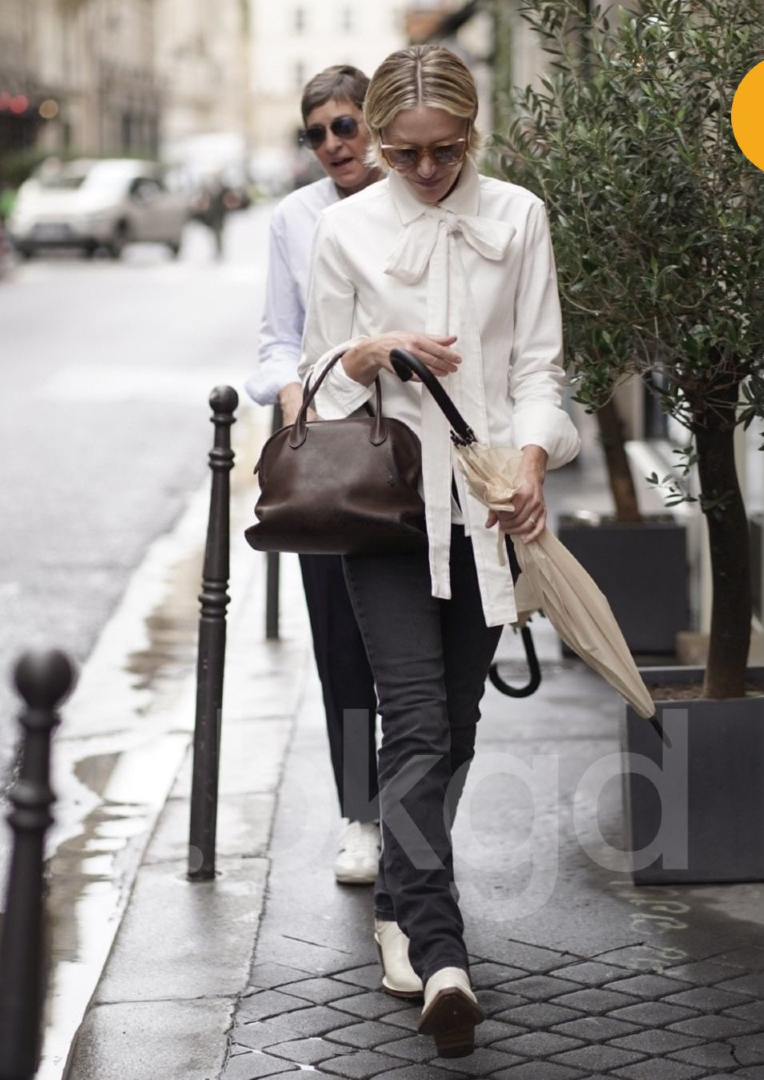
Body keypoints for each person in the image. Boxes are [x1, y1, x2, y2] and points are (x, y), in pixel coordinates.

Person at [298, 45, 581, 1056]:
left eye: (444, 151)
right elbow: (324, 388)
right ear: (376, 140)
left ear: (473, 134)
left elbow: (542, 366)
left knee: (454, 730)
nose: (425, 171)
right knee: (415, 724)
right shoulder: (344, 229)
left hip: (488, 518)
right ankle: (441, 950)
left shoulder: (519, 217)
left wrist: (536, 458)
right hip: (387, 518)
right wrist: (367, 352)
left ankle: (401, 902)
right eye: (405, 152)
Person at [245, 67, 391, 909]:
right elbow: (273, 340)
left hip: (412, 450)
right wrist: (288, 386)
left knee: (415, 639)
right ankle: (360, 814)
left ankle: (416, 808)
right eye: (318, 134)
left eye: (346, 126)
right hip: (329, 456)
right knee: (339, 641)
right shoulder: (293, 219)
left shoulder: (415, 197)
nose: (335, 145)